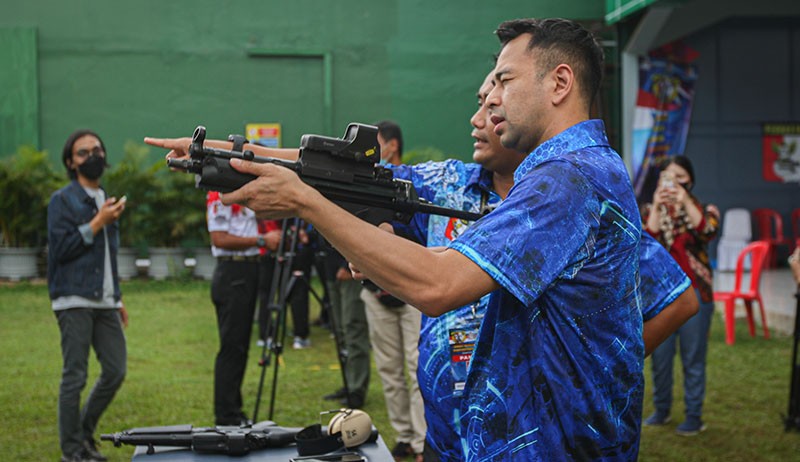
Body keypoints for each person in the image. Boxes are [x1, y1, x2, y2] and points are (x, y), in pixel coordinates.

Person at [209, 18, 679, 460]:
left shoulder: (567, 180)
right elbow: (411, 221)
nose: (490, 100)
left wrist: (304, 202)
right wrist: (240, 156)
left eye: (504, 80)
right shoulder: (574, 172)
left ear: (559, 83)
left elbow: (439, 286)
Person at [48, 129, 128, 462]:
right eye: (83, 152)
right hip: (74, 299)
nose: (93, 156)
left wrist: (118, 298)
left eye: (97, 149)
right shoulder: (62, 200)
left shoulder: (103, 198)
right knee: (75, 376)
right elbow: (60, 250)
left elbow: (108, 256)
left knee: (115, 370)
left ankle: (82, 434)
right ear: (71, 162)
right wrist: (97, 223)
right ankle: (72, 451)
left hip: (105, 301)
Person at [359, 120, 426, 460]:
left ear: (393, 146)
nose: (371, 154)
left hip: (412, 292)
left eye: (377, 145)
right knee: (388, 367)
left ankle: (421, 438)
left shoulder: (413, 184)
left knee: (417, 367)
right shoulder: (363, 185)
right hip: (374, 290)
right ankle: (403, 434)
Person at [642, 155, 720, 436]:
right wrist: (658, 204)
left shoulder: (704, 208)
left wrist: (684, 199)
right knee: (660, 359)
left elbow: (707, 230)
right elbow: (646, 240)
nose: (672, 183)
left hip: (697, 294)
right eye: (667, 177)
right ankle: (661, 411)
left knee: (692, 359)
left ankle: (694, 416)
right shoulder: (652, 209)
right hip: (661, 298)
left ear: (689, 179)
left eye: (678, 177)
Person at [206, 191, 280, 425]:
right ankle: (226, 415)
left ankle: (233, 409)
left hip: (247, 271)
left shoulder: (242, 194)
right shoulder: (219, 195)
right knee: (232, 346)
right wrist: (261, 241)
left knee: (240, 346)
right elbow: (219, 238)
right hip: (233, 272)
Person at [322, 246, 371, 409]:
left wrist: (346, 265)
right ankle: (348, 382)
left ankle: (356, 388)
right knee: (340, 330)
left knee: (353, 327)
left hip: (350, 271)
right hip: (329, 268)